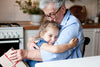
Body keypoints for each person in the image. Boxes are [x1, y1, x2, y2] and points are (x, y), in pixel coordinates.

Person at [9, 20, 78, 67]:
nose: (53, 39)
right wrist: (70, 45)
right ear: (42, 34)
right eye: (50, 36)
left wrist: (31, 40)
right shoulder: (42, 43)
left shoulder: (43, 41)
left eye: (56, 36)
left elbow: (31, 38)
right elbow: (55, 49)